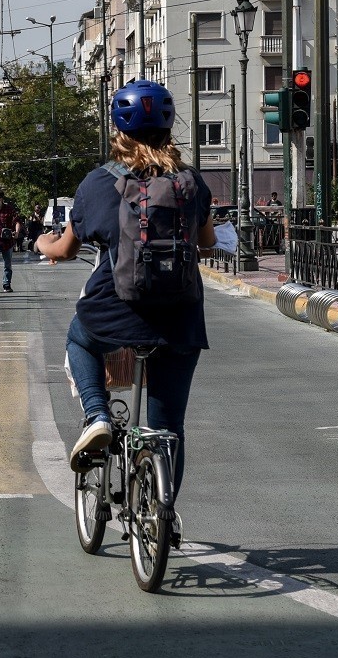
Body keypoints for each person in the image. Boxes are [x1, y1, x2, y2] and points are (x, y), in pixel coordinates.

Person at [37, 79, 217, 498]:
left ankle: (98, 415)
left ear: (118, 130)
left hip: (114, 310)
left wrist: (41, 242)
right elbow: (206, 242)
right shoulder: (191, 182)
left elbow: (64, 249)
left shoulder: (98, 182)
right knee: (169, 427)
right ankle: (160, 513)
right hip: (181, 318)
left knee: (79, 340)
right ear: (169, 129)